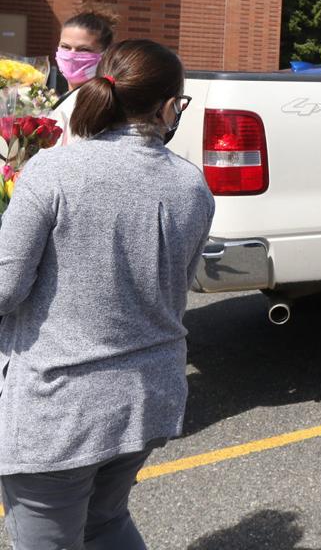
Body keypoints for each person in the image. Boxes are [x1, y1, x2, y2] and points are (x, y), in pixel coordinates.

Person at [0, 39, 214, 550]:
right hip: (148, 396)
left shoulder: (52, 170)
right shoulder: (192, 185)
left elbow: (4, 290)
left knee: (49, 535)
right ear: (167, 108)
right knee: (106, 520)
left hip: (59, 407)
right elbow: (173, 287)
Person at [49, 7, 118, 147]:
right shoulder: (56, 98)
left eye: (84, 49)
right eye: (65, 47)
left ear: (105, 54)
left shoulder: (106, 103)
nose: (72, 56)